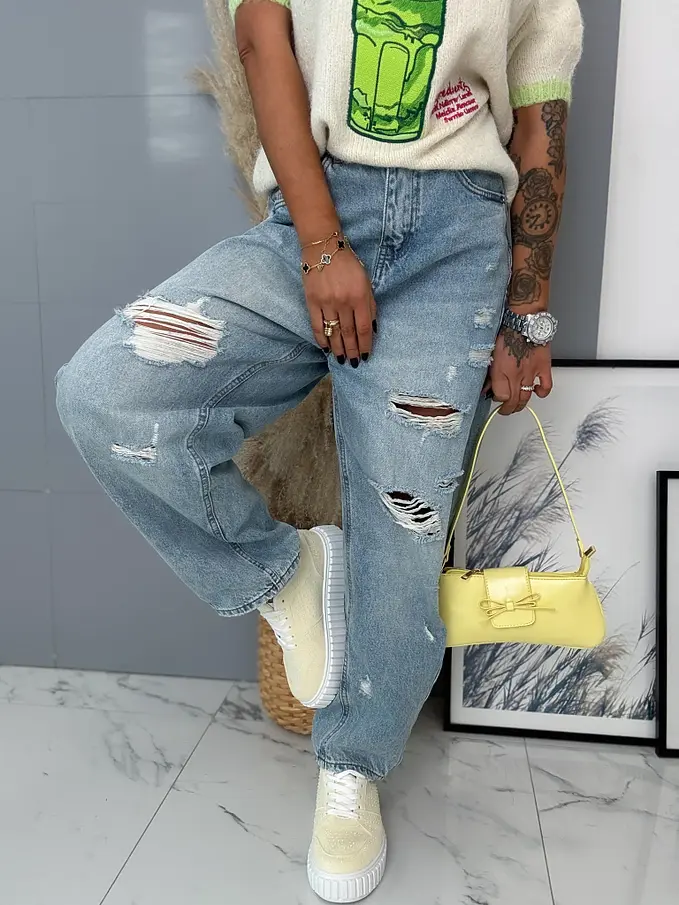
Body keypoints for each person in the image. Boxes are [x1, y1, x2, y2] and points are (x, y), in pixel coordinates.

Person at [56, 0, 583, 900]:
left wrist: (527, 314)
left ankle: (352, 765)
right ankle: (282, 572)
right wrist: (319, 244)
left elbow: (541, 120)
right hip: (312, 209)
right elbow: (262, 41)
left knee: (403, 533)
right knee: (107, 392)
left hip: (457, 245)